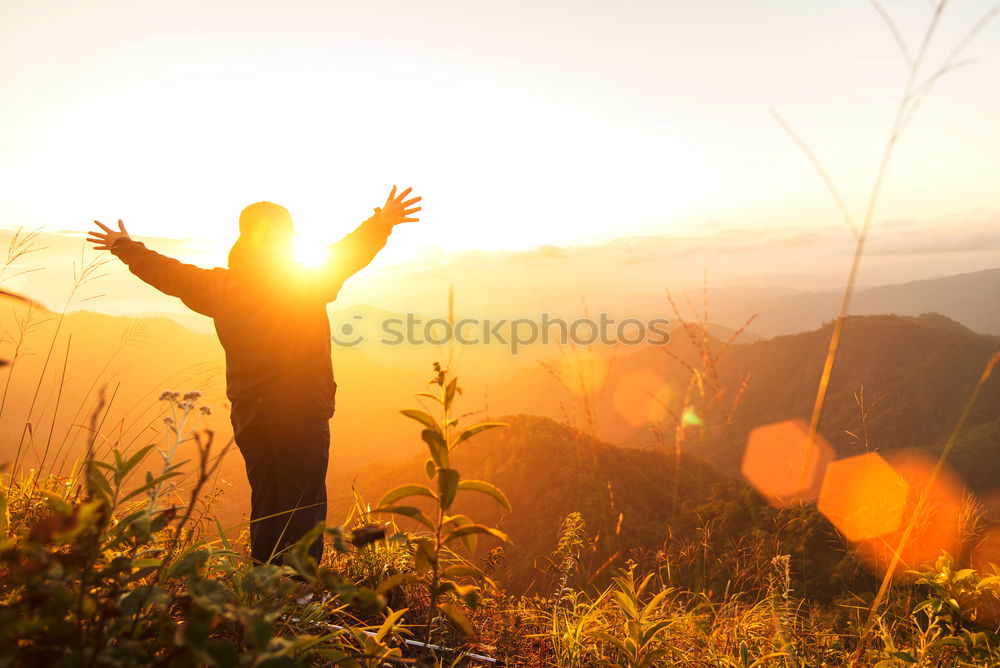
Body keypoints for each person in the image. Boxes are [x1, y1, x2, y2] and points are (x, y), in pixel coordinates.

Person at [88, 187, 421, 566]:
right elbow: (349, 252)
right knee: (303, 500)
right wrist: (381, 223)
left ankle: (262, 580)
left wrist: (124, 246)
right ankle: (297, 591)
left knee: (266, 496)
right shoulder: (305, 279)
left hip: (249, 411)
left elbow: (167, 272)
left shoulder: (220, 286)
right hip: (301, 409)